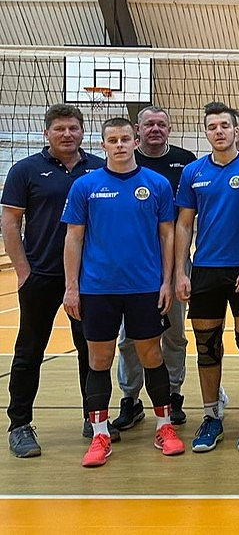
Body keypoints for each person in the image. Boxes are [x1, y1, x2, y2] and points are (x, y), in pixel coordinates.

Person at [62, 117, 179, 467]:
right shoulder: (85, 186)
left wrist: (167, 281)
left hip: (145, 287)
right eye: (112, 140)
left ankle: (164, 426)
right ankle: (99, 434)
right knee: (99, 360)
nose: (119, 145)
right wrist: (72, 287)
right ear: (103, 145)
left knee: (152, 356)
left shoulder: (156, 184)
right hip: (98, 289)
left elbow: (167, 235)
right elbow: (74, 238)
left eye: (125, 139)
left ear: (135, 141)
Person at [4, 104, 106, 457]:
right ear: (47, 133)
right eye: (60, 128)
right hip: (42, 276)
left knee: (90, 351)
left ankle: (93, 418)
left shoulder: (99, 168)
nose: (67, 134)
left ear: (82, 132)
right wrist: (23, 271)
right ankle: (19, 425)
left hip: (88, 278)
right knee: (29, 351)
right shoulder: (25, 170)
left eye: (73, 128)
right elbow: (10, 222)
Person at [175, 104, 239, 453]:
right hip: (206, 269)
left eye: (224, 125)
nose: (218, 131)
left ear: (238, 130)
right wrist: (181, 270)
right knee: (207, 347)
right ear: (206, 132)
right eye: (212, 127)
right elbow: (184, 224)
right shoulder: (193, 171)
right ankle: (211, 416)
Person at [115, 106, 197, 430]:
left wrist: (181, 268)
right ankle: (130, 398)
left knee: (174, 333)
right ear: (138, 129)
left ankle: (174, 395)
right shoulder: (125, 161)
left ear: (169, 129)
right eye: (148, 124)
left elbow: (189, 215)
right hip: (133, 265)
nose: (155, 129)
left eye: (161, 124)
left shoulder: (185, 160)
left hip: (175, 260)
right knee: (128, 338)